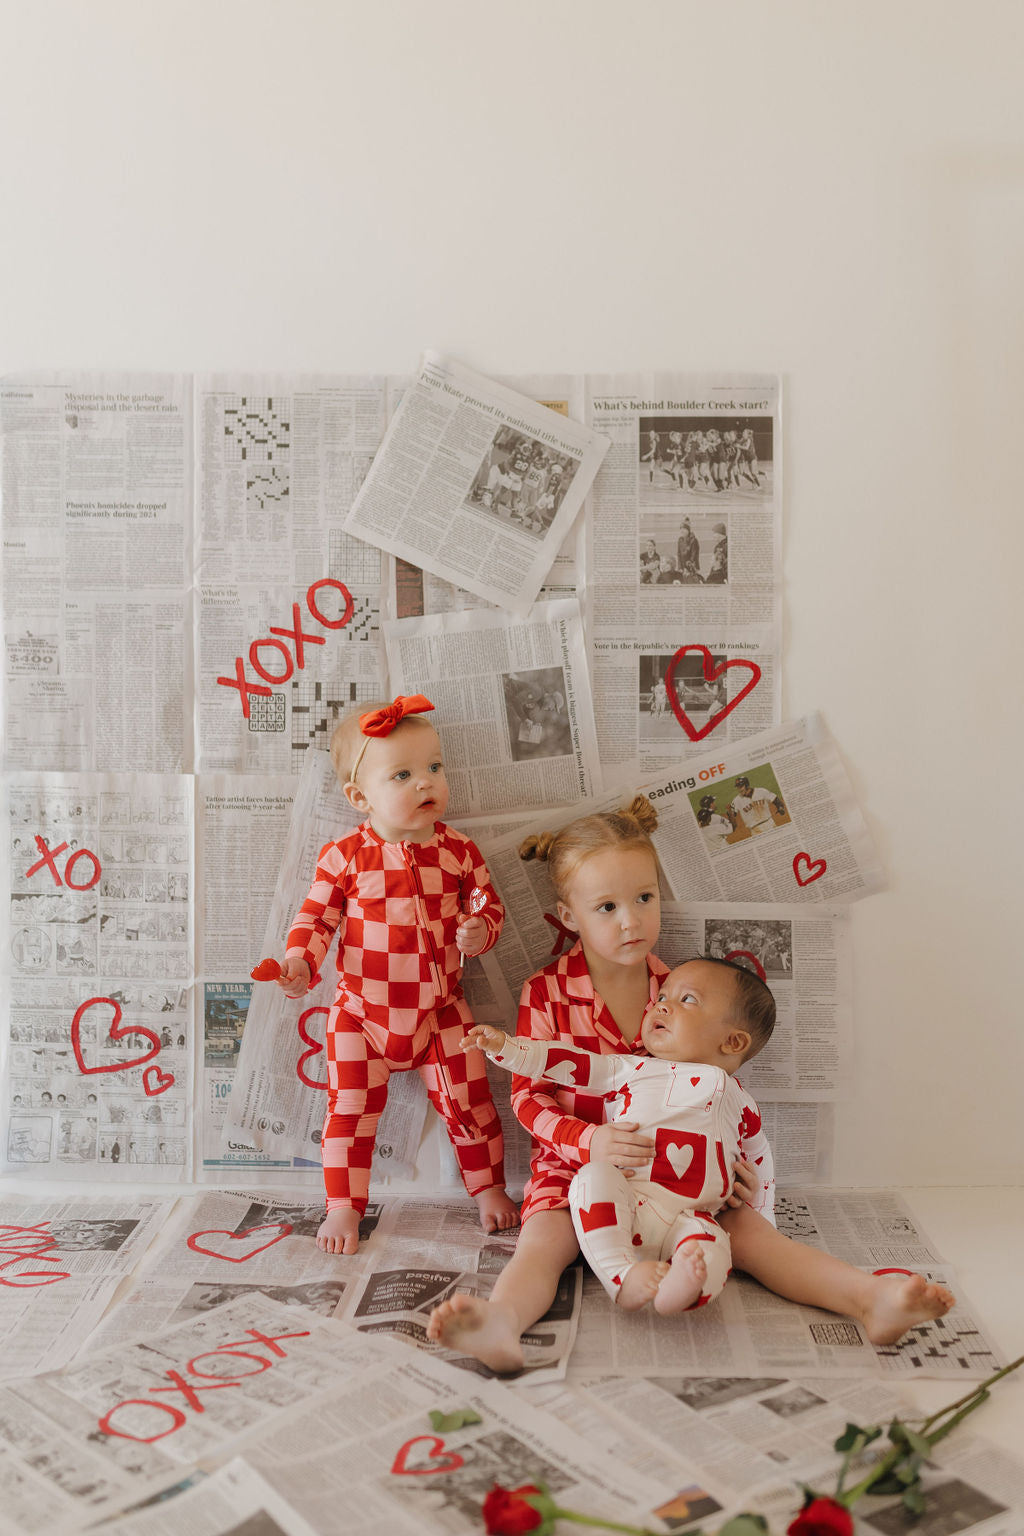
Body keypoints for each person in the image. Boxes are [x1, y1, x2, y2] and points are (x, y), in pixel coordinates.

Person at [427, 797, 953, 1372]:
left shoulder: (681, 987)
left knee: (754, 1236)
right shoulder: (546, 992)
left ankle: (870, 1297)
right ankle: (502, 1323)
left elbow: (715, 1091)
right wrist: (588, 1142)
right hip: (576, 1162)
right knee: (544, 1240)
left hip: (678, 1171)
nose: (631, 920)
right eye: (607, 906)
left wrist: (734, 1164)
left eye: (644, 898)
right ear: (569, 916)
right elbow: (528, 1097)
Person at [274, 694, 518, 1255]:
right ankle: (343, 1205)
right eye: (402, 774)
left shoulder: (458, 851)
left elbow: (487, 903)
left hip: (441, 1012)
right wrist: (300, 963)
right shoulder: (345, 856)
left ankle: (487, 1191)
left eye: (434, 767)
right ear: (361, 797)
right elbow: (316, 918)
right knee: (350, 1112)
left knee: (470, 1101)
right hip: (363, 1014)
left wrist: (481, 927)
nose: (425, 783)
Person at [463, 954, 776, 1314]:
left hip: (693, 1216)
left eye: (686, 1000)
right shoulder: (637, 1068)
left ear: (733, 1043)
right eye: (661, 998)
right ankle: (620, 1276)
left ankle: (682, 1288)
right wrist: (509, 1049)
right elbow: (576, 1065)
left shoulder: (741, 1102)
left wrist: (760, 1209)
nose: (662, 1007)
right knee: (592, 1178)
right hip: (628, 1194)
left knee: (711, 1246)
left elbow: (760, 1155)